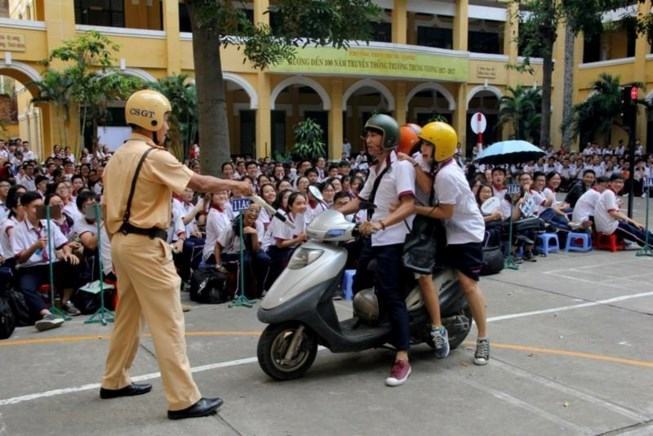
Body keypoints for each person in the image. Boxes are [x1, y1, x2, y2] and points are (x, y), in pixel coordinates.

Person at [100, 89, 252, 420]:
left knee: (129, 316)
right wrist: (237, 185)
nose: (167, 126)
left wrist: (118, 240)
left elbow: (104, 207)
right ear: (150, 119)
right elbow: (196, 182)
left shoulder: (117, 156)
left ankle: (114, 379)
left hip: (122, 243)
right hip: (144, 246)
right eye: (165, 119)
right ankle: (183, 399)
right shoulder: (154, 156)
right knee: (168, 321)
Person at [336, 113, 416, 387]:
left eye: (374, 134)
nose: (368, 140)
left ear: (389, 138)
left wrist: (381, 222)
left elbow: (408, 204)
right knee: (360, 283)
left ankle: (403, 358)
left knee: (392, 296)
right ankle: (372, 329)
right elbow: (360, 201)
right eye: (367, 135)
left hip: (394, 238)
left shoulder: (401, 168)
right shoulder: (375, 168)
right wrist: (329, 214)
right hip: (375, 238)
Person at [413, 122, 490, 366]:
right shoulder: (436, 163)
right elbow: (423, 179)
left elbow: (445, 212)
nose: (422, 148)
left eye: (427, 145)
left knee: (468, 284)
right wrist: (410, 161)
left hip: (466, 233)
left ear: (441, 149)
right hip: (448, 232)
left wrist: (412, 208)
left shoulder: (448, 175)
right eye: (423, 143)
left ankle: (483, 339)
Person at [594, 173, 653, 246]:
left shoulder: (611, 193)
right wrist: (632, 221)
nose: (618, 184)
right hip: (609, 226)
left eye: (621, 182)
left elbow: (615, 212)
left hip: (612, 223)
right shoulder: (609, 193)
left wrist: (632, 222)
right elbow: (613, 213)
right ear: (610, 183)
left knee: (639, 228)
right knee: (637, 235)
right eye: (616, 182)